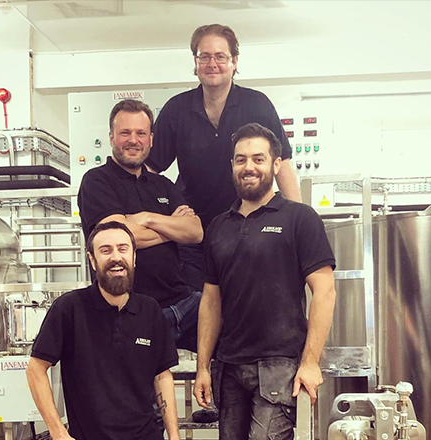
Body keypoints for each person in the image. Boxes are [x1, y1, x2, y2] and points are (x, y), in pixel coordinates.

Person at [193, 123, 336, 439]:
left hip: (279, 367)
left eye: (258, 159)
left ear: (275, 164)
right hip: (228, 366)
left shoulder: (300, 218)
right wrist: (203, 366)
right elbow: (211, 301)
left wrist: (310, 362)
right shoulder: (218, 227)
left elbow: (324, 291)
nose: (249, 167)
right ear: (232, 165)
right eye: (240, 159)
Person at [146, 23, 301, 293]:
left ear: (234, 62)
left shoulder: (258, 105)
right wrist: (160, 214)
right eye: (204, 56)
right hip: (196, 238)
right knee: (200, 311)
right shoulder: (176, 110)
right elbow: (150, 170)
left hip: (253, 229)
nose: (212, 63)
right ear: (195, 63)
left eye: (220, 56)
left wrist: (299, 221)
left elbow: (282, 163)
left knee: (250, 307)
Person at [27, 221, 181, 440]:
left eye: (122, 248)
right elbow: (35, 370)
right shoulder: (69, 308)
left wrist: (174, 435)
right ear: (92, 260)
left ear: (134, 257)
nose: (116, 257)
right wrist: (58, 431)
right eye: (105, 250)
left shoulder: (150, 309)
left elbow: (162, 376)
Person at [78, 99, 203, 351]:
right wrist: (171, 230)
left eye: (141, 133)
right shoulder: (96, 181)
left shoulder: (163, 185)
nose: (133, 140)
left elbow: (195, 231)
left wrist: (146, 217)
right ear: (112, 137)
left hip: (184, 305)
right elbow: (119, 239)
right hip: (133, 310)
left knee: (231, 324)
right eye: (125, 133)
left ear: (151, 139)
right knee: (139, 386)